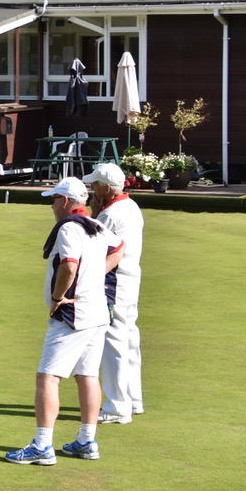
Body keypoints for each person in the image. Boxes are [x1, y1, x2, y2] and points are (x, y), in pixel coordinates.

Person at [6, 177, 124, 466]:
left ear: (66, 202)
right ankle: (86, 440)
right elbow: (119, 248)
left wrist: (59, 297)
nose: (52, 205)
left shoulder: (70, 227)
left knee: (47, 377)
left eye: (54, 199)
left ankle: (42, 446)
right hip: (96, 313)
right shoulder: (97, 226)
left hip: (73, 315)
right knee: (87, 375)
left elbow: (69, 266)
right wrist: (94, 279)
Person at [84, 162, 145, 424]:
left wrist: (95, 216)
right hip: (129, 281)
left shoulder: (110, 214)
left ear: (107, 188)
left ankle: (117, 406)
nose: (91, 189)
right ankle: (133, 400)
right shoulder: (130, 206)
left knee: (114, 343)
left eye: (94, 184)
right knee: (129, 340)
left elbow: (95, 246)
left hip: (113, 283)